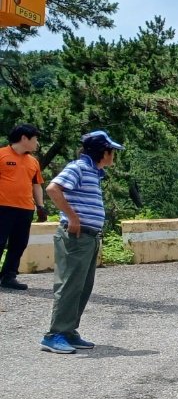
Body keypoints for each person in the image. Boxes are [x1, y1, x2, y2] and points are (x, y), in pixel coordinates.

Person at [41, 130, 122, 354]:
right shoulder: (78, 167)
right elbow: (53, 189)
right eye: (112, 151)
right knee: (69, 286)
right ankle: (54, 334)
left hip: (88, 237)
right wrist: (73, 217)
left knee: (82, 287)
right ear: (102, 152)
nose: (113, 155)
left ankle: (68, 330)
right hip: (76, 235)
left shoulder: (93, 172)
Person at [0, 123, 47, 290]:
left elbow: (36, 185)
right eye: (35, 139)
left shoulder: (33, 162)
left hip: (25, 209)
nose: (37, 143)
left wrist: (41, 206)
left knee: (19, 244)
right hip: (2, 207)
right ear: (24, 138)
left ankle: (8, 276)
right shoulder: (2, 155)